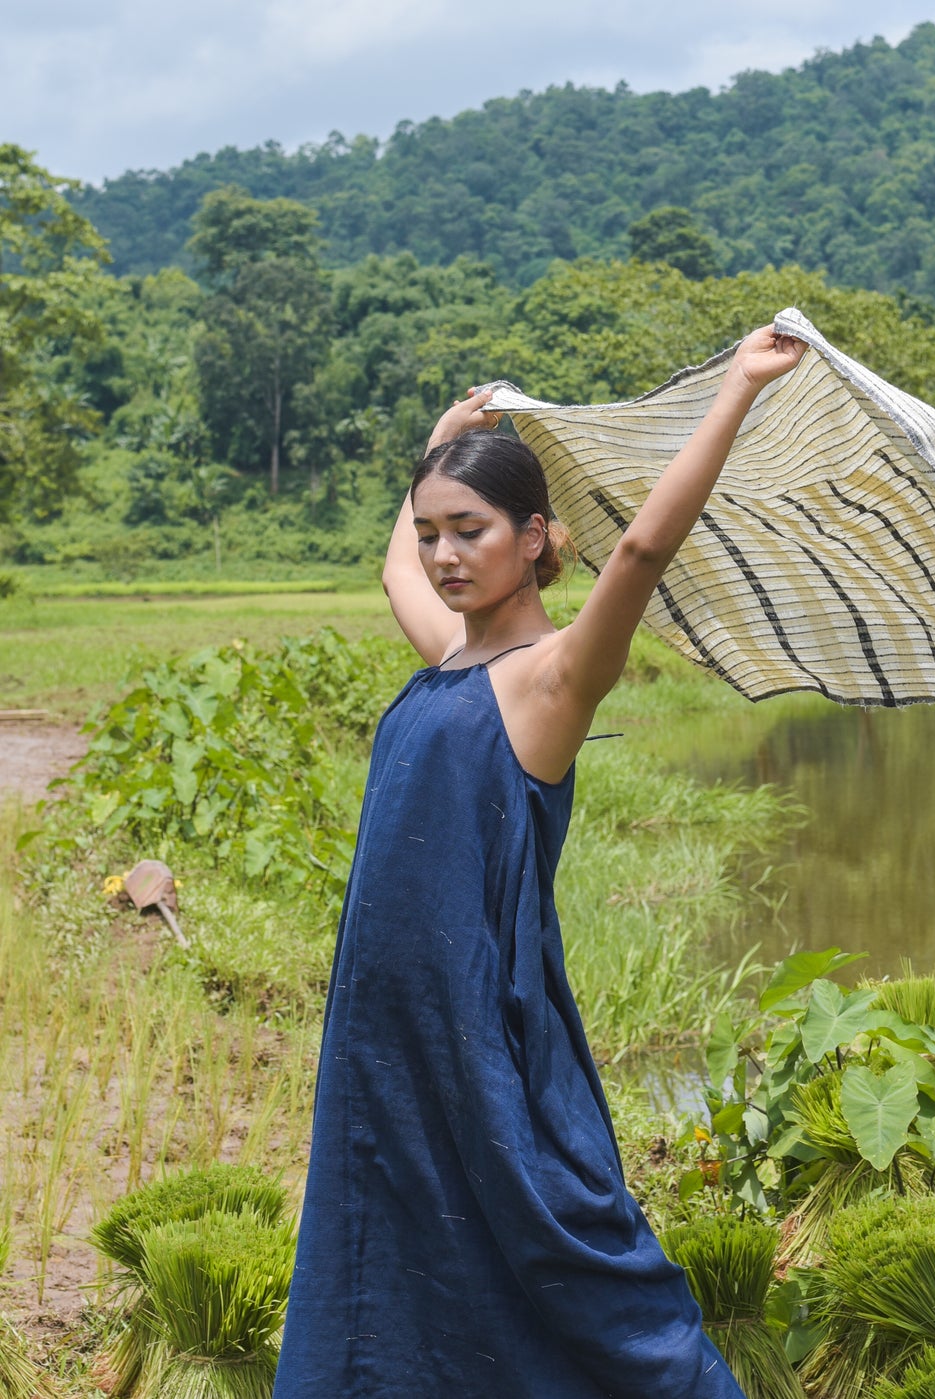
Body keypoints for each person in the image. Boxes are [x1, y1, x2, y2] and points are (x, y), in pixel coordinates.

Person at [273, 325, 806, 1397]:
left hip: (476, 1029)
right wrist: (434, 447)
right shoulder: (448, 661)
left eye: (467, 531)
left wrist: (737, 391)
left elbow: (645, 552)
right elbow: (389, 568)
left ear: (534, 539)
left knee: (553, 1238)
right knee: (399, 1244)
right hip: (385, 1034)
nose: (441, 555)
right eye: (432, 532)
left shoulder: (548, 681)